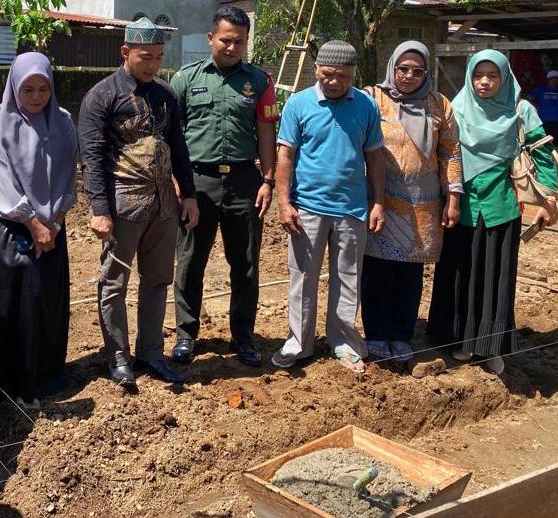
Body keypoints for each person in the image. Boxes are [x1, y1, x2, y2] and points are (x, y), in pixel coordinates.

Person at [79, 17, 200, 388]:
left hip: (163, 205)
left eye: (158, 57)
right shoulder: (102, 96)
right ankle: (118, 357)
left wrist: (190, 194)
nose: (152, 64)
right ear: (126, 52)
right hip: (122, 205)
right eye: (145, 56)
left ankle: (151, 353)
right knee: (114, 282)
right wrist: (99, 208)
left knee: (158, 280)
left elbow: (178, 147)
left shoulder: (165, 94)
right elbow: (93, 155)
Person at [428, 50, 558, 375]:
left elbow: (542, 153)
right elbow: (442, 154)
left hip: (502, 209)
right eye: (478, 75)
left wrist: (548, 201)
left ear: (505, 77)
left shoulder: (520, 110)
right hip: (461, 209)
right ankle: (458, 340)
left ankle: (491, 346)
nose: (484, 82)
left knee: (495, 278)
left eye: (492, 75)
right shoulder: (456, 108)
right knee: (460, 274)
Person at [169, 6, 279, 367]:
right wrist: (179, 186)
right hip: (197, 182)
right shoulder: (185, 79)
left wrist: (268, 180)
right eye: (227, 40)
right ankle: (186, 335)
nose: (233, 48)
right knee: (190, 262)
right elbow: (172, 136)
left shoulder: (259, 82)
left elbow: (265, 131)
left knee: (245, 263)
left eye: (240, 42)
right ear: (211, 38)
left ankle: (244, 338)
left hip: (245, 182)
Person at [271, 40, 385, 374]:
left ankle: (344, 343)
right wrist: (283, 201)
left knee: (348, 277)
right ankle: (299, 343)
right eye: (328, 74)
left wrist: (378, 202)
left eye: (343, 76)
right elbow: (286, 155)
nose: (335, 82)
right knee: (302, 278)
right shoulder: (298, 104)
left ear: (353, 74)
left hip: (352, 208)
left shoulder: (365, 106)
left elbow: (375, 156)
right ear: (316, 69)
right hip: (308, 207)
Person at [0, 52, 78, 408]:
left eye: (43, 89)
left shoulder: (62, 121)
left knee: (47, 302)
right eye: (28, 89)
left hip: (52, 227)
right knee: (14, 306)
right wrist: (33, 223)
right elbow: (0, 180)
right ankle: (8, 385)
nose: (35, 97)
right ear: (14, 88)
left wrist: (55, 221)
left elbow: (68, 173)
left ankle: (45, 379)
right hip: (10, 228)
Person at [360, 41, 462, 367]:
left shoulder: (439, 105)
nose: (409, 76)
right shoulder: (372, 98)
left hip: (423, 206)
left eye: (417, 71)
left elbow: (450, 152)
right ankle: (376, 333)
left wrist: (454, 198)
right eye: (403, 68)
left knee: (409, 274)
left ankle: (402, 336)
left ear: (426, 73)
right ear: (392, 67)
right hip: (381, 201)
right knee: (378, 270)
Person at [529, 70, 558, 148]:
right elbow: (528, 98)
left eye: (556, 79)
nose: (554, 81)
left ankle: (557, 159)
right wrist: (536, 107)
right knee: (544, 143)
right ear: (548, 80)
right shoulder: (540, 89)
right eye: (552, 79)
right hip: (544, 121)